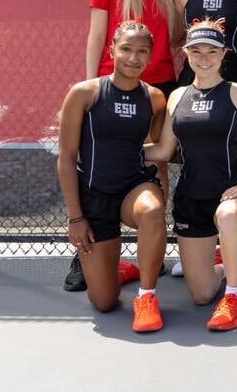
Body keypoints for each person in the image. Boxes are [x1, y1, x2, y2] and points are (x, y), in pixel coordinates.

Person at [69, 0, 179, 293]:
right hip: (110, 84)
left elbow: (177, 38)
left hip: (158, 81)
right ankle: (85, 252)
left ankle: (153, 250)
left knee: (156, 163)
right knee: (95, 163)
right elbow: (95, 36)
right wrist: (90, 86)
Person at [145, 20, 237, 331]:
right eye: (196, 51)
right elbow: (163, 149)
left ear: (224, 54)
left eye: (212, 51)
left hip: (233, 193)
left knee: (226, 216)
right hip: (191, 198)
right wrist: (116, 149)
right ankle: (229, 264)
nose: (204, 58)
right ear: (185, 54)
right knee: (200, 295)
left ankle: (235, 298)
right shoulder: (177, 96)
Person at [57, 21, 168, 332]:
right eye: (126, 49)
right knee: (104, 302)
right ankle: (113, 268)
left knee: (153, 211)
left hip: (134, 186)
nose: (134, 58)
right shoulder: (84, 93)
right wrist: (75, 218)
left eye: (142, 52)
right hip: (94, 195)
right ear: (112, 51)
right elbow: (66, 158)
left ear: (150, 56)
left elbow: (160, 149)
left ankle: (146, 298)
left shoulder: (155, 98)